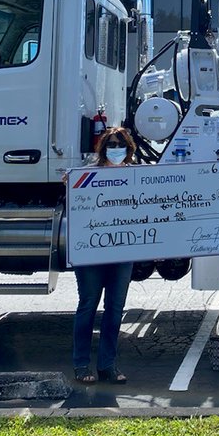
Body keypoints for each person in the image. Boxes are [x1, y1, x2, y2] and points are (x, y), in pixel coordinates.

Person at [71, 126, 136, 384]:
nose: (116, 149)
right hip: (91, 251)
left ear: (129, 148)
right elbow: (76, 207)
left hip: (123, 251)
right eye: (111, 144)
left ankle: (107, 365)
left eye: (120, 144)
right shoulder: (87, 174)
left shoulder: (137, 175)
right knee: (88, 305)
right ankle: (81, 364)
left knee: (115, 309)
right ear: (103, 148)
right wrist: (69, 185)